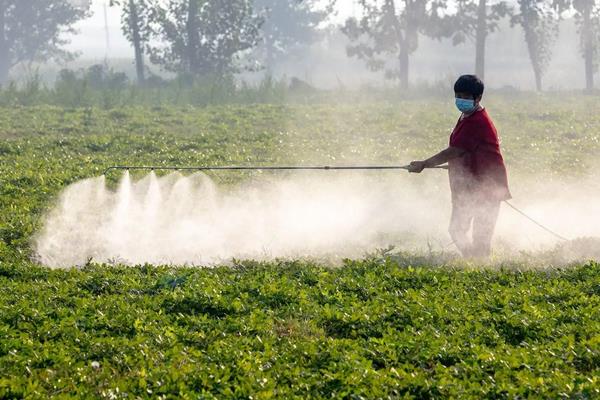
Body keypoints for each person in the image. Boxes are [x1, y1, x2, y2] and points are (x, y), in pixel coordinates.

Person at [408, 75, 510, 258]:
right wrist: (457, 166)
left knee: (480, 235)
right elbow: (469, 150)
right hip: (471, 183)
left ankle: (479, 265)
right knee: (457, 229)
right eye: (458, 95)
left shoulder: (477, 121)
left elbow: (454, 150)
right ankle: (473, 260)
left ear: (478, 98)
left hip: (488, 185)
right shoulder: (467, 116)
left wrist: (424, 164)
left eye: (466, 96)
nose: (461, 100)